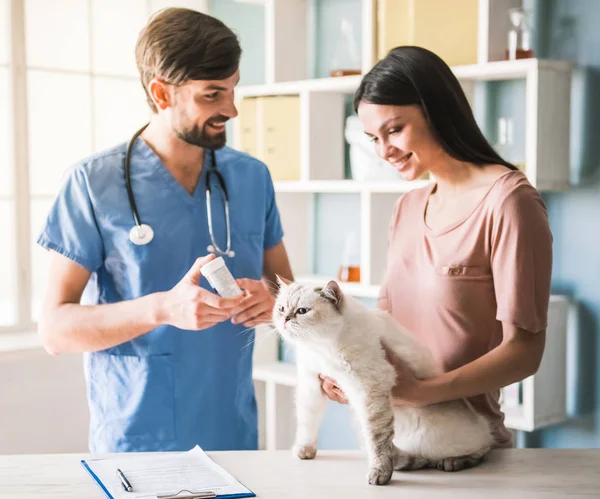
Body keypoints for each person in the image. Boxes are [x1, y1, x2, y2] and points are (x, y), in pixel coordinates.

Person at [37, 8, 293, 453]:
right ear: (161, 93)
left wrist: (274, 303)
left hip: (232, 436)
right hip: (138, 443)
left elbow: (283, 289)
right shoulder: (92, 184)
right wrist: (161, 308)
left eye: (233, 91)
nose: (230, 110)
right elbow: (55, 330)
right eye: (212, 95)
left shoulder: (252, 178)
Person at [320, 46, 552, 449]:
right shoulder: (407, 207)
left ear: (437, 109)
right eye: (373, 137)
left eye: (394, 130)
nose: (383, 150)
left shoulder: (509, 201)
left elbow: (525, 351)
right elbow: (386, 327)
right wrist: (347, 370)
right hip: (396, 444)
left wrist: (419, 392)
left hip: (469, 449)